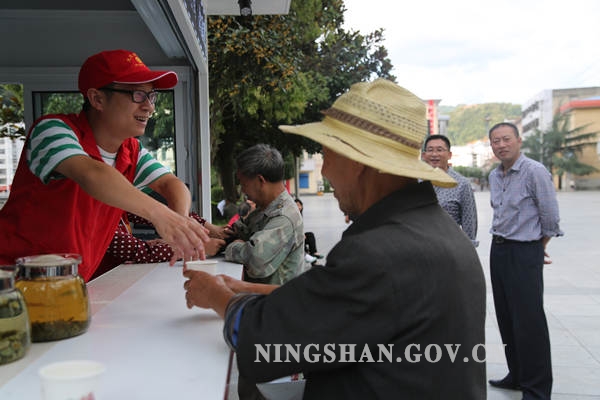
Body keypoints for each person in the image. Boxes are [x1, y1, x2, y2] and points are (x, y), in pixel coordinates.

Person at [183, 79, 486, 399]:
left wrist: (216, 295)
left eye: (327, 155)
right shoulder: (435, 231)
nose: (325, 171)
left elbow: (263, 341)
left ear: (356, 162)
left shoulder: (379, 252)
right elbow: (343, 301)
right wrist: (247, 288)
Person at [0, 49, 209, 281]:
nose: (149, 107)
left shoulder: (130, 150)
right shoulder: (52, 130)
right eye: (138, 95)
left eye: (151, 96)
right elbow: (92, 174)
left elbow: (171, 184)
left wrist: (179, 224)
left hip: (67, 284)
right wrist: (161, 215)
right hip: (13, 281)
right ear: (97, 99)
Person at [487, 122, 563, 400]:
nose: (501, 145)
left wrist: (537, 248)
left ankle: (537, 388)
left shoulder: (535, 171)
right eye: (495, 141)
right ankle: (517, 374)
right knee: (506, 317)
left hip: (523, 251)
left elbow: (550, 217)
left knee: (529, 322)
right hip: (499, 249)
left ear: (519, 141)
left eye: (506, 139)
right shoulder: (495, 175)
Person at [224, 144, 305, 285]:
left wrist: (232, 247)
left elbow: (256, 260)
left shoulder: (284, 217)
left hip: (276, 299)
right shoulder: (264, 208)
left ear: (260, 181)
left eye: (244, 184)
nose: (243, 191)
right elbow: (241, 230)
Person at [94, 212, 227, 280]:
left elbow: (165, 214)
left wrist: (206, 226)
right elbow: (141, 252)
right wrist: (195, 246)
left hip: (120, 278)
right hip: (102, 285)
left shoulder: (119, 206)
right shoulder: (98, 221)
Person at [421, 134, 479, 246]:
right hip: (420, 246)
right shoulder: (415, 181)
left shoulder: (461, 184)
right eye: (430, 150)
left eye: (439, 150)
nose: (434, 154)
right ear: (424, 155)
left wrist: (467, 249)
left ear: (449, 155)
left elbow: (469, 224)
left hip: (449, 247)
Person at [294, 197, 323, 264]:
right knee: (302, 237)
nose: (298, 207)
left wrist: (302, 233)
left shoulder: (300, 215)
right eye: (296, 205)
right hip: (293, 238)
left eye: (299, 205)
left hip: (299, 235)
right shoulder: (292, 215)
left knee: (310, 235)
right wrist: (301, 234)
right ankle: (309, 256)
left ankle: (314, 253)